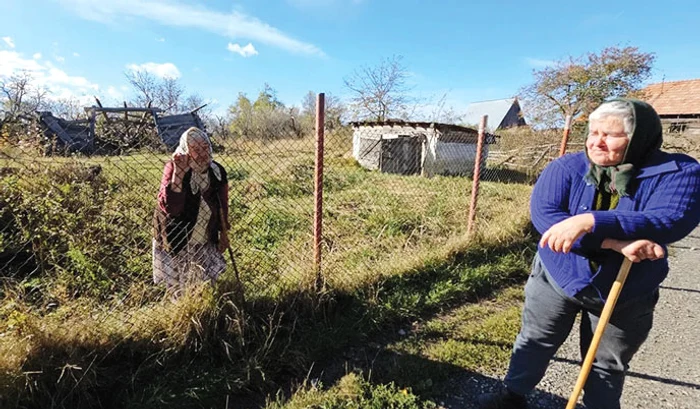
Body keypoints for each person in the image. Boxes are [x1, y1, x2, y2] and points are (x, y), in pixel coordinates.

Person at [478, 99, 700, 409]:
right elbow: (546, 220)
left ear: (639, 138)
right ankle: (511, 396)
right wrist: (614, 244)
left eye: (610, 135)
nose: (596, 142)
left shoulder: (679, 171)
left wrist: (590, 221)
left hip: (627, 288)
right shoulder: (566, 167)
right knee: (536, 341)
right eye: (593, 132)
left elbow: (670, 219)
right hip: (559, 275)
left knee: (607, 361)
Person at [152, 127, 230, 296]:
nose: (203, 153)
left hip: (204, 235)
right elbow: (172, 208)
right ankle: (184, 313)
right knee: (180, 288)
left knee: (206, 283)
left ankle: (205, 308)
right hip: (178, 236)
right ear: (186, 150)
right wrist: (179, 175)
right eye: (195, 149)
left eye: (205, 147)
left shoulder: (216, 171)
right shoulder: (174, 168)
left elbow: (223, 204)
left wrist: (224, 232)